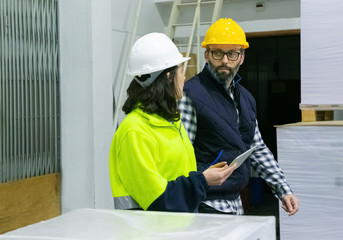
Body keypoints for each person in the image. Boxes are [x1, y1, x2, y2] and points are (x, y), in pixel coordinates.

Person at [179, 18, 299, 216]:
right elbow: (181, 154)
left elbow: (257, 147)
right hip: (204, 204)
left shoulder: (245, 98)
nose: (225, 60)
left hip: (234, 202)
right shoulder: (191, 95)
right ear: (207, 54)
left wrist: (283, 189)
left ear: (242, 57)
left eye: (232, 53)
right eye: (218, 53)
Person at [109, 32, 236, 212]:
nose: (184, 77)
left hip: (176, 227)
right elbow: (158, 200)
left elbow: (176, 177)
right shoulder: (135, 131)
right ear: (169, 77)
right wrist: (203, 180)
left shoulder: (171, 122)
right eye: (181, 71)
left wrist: (204, 177)